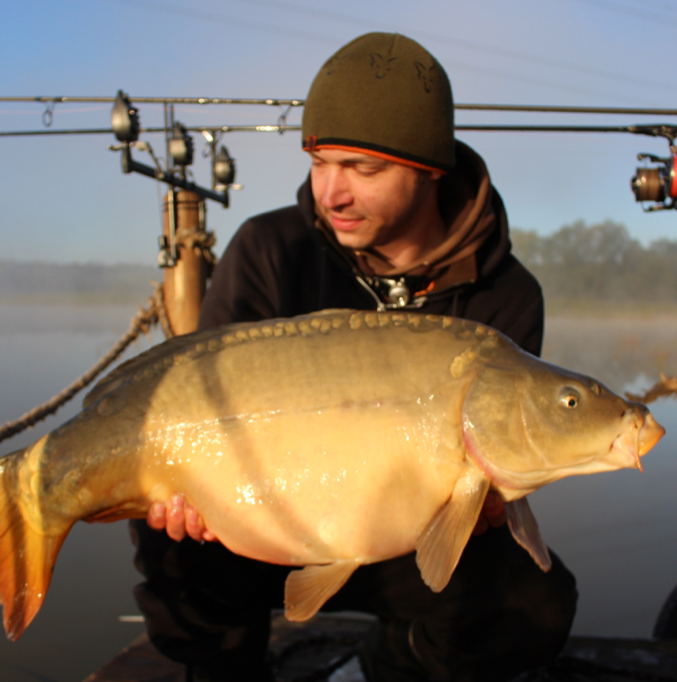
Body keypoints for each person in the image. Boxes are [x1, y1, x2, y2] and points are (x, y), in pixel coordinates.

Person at [129, 32, 577, 682]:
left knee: (533, 604)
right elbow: (203, 408)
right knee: (166, 539)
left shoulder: (505, 293)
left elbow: (494, 468)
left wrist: (493, 501)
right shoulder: (268, 250)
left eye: (363, 169)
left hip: (406, 539)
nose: (331, 192)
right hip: (265, 520)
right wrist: (188, 491)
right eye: (320, 161)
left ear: (429, 169)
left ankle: (382, 668)